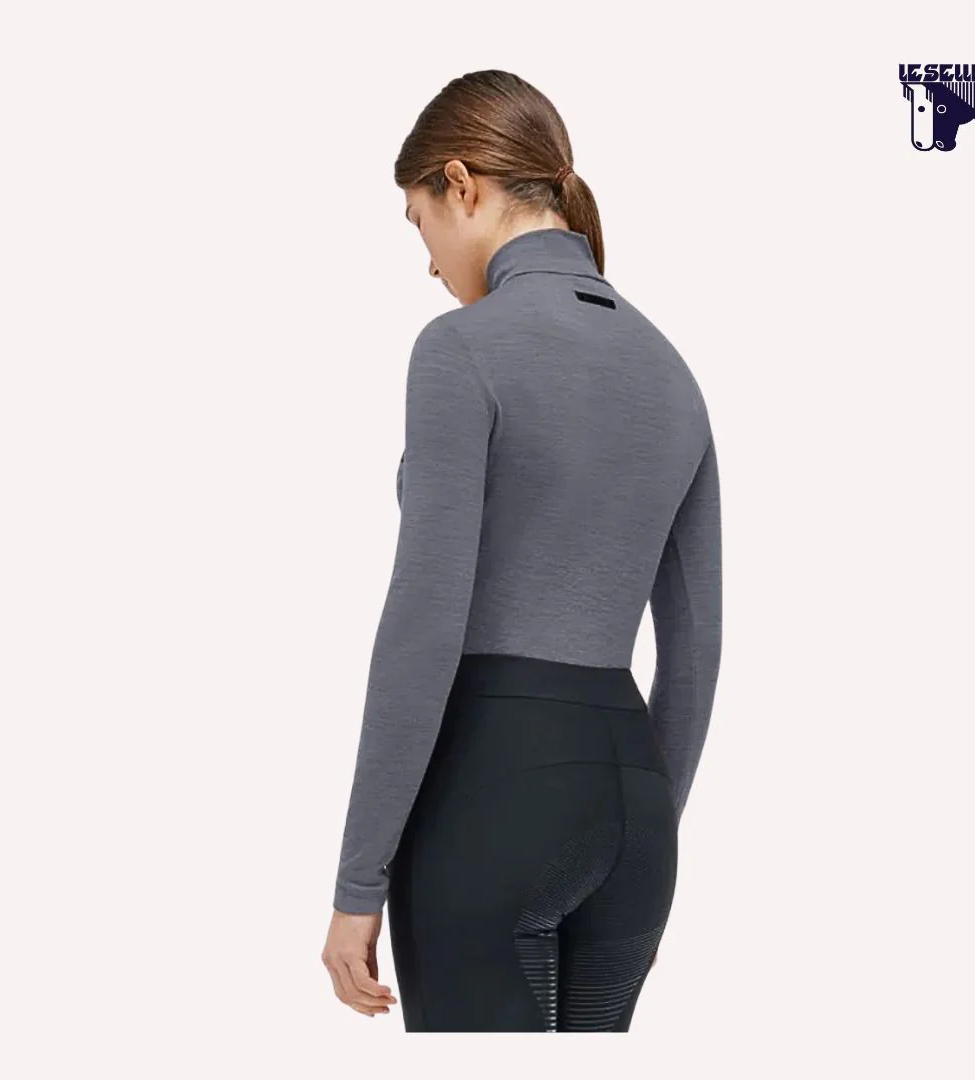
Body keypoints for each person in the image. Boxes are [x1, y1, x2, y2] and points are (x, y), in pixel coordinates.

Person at [321, 69, 722, 1032]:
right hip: (635, 814)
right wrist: (647, 828)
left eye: (419, 223)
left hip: (491, 796)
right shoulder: (672, 370)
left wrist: (358, 880)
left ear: (461, 184)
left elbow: (423, 623)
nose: (428, 264)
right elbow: (696, 647)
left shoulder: (461, 349)